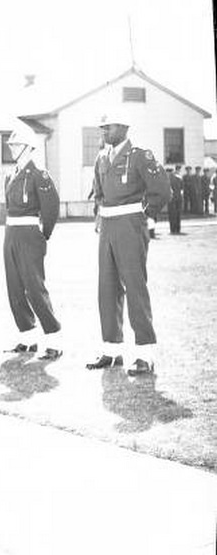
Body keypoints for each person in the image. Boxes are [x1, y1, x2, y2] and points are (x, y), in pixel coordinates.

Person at [86, 110, 171, 376]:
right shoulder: (102, 157)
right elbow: (98, 193)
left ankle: (145, 354)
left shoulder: (139, 155)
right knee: (107, 288)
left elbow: (162, 190)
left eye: (108, 128)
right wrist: (101, 215)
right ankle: (112, 351)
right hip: (108, 227)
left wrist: (144, 214)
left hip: (130, 226)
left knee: (134, 286)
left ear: (123, 127)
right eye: (101, 128)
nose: (103, 132)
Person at [2, 124, 63, 361]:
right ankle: (27, 337)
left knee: (34, 288)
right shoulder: (11, 173)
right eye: (11, 145)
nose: (12, 148)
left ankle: (54, 339)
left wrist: (43, 234)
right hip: (11, 233)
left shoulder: (39, 172)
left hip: (29, 234)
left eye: (16, 145)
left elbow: (51, 207)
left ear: (28, 146)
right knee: (14, 287)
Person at [167, 165, 183, 234]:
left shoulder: (168, 180)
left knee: (174, 215)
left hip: (173, 199)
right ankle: (176, 229)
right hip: (176, 198)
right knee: (176, 214)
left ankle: (174, 229)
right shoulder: (178, 178)